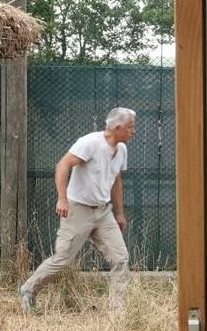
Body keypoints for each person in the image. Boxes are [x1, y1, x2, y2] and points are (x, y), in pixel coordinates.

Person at [19, 107, 136, 312]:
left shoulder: (122, 150)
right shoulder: (90, 142)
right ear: (118, 127)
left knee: (120, 259)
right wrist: (62, 199)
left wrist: (119, 213)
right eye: (130, 127)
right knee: (63, 260)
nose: (133, 131)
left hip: (103, 211)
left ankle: (119, 314)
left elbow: (116, 180)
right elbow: (62, 165)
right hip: (78, 209)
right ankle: (28, 290)